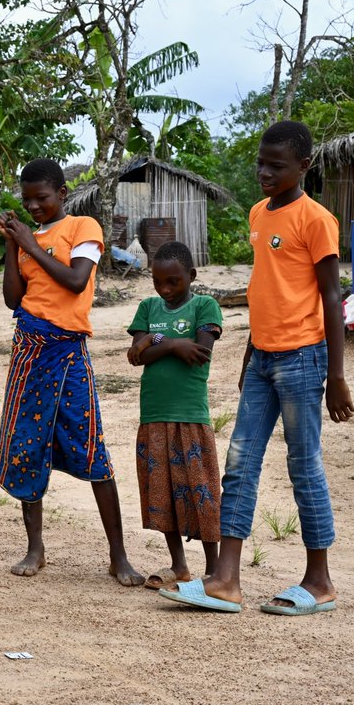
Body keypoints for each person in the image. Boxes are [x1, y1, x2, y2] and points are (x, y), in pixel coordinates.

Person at [160, 120, 354, 615]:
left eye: (277, 165)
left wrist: (336, 374)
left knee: (303, 465)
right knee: (240, 464)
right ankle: (225, 579)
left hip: (305, 359)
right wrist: (250, 353)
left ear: (304, 166)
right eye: (261, 163)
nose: (264, 172)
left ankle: (319, 580)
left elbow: (332, 298)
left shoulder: (316, 220)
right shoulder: (257, 214)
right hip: (264, 357)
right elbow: (265, 289)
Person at [0, 158, 143, 586]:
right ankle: (35, 549)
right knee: (28, 446)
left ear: (62, 193)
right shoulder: (26, 238)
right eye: (27, 200)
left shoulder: (83, 226)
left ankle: (118, 556)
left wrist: (31, 244)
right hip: (29, 350)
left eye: (42, 197)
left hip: (67, 352)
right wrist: (12, 245)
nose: (35, 206)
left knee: (91, 446)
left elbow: (77, 281)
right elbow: (12, 299)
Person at [126, 240, 222, 590]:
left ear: (191, 276)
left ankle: (214, 570)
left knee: (201, 491)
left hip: (190, 415)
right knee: (162, 491)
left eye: (173, 282)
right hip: (154, 415)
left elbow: (200, 352)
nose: (164, 290)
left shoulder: (205, 305)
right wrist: (173, 344)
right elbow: (137, 355)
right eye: (158, 282)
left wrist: (157, 341)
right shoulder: (148, 306)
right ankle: (178, 565)